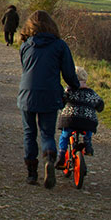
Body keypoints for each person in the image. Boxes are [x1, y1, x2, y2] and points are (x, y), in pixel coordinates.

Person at [17, 10, 79, 187]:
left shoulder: (26, 46)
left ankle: (31, 174)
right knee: (47, 133)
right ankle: (49, 159)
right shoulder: (60, 46)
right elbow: (68, 73)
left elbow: (25, 68)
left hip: (27, 94)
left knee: (29, 132)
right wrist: (75, 86)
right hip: (50, 94)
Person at [55, 66, 104, 165]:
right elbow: (100, 105)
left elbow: (61, 100)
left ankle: (61, 155)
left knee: (64, 136)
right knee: (88, 128)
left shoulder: (68, 91)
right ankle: (88, 143)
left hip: (70, 120)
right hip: (87, 121)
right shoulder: (91, 93)